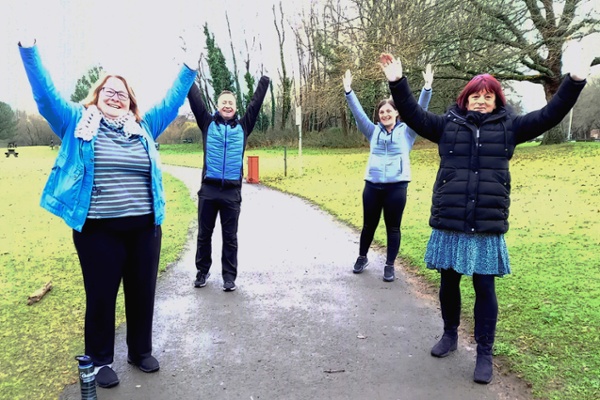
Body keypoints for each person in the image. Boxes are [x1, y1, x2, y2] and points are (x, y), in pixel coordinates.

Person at [379, 50, 589, 384]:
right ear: (465, 100)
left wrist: (574, 81)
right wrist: (398, 82)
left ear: (496, 101)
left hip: (486, 224)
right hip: (451, 219)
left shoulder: (510, 128)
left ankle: (484, 352)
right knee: (448, 281)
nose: (480, 101)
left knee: (484, 286)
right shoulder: (447, 125)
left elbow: (551, 114)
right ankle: (449, 335)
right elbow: (414, 114)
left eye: (487, 97)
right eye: (475, 96)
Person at [18, 38, 198, 388]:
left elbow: (173, 100)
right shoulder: (76, 121)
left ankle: (140, 351)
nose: (115, 97)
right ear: (96, 95)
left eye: (122, 93)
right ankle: (100, 360)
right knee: (101, 294)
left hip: (146, 227)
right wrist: (30, 49)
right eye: (108, 91)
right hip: (98, 230)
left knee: (142, 289)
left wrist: (189, 68)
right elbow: (45, 97)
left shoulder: (144, 126)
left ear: (131, 101)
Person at [344, 66, 433, 282]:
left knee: (393, 227)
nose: (384, 114)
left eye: (388, 111)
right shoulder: (372, 132)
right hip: (373, 186)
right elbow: (358, 113)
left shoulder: (408, 132)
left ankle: (390, 265)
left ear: (397, 113)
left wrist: (427, 88)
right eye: (381, 112)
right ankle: (362, 257)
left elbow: (419, 110)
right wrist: (348, 91)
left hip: (397, 187)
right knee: (368, 225)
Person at [188, 76, 270, 292]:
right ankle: (202, 271)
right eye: (223, 102)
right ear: (218, 105)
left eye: (231, 103)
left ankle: (229, 277)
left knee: (230, 237)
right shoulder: (207, 123)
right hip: (208, 189)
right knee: (204, 235)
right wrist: (187, 73)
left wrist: (265, 79)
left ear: (235, 107)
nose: (227, 105)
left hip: (231, 192)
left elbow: (256, 103)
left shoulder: (243, 126)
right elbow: (195, 99)